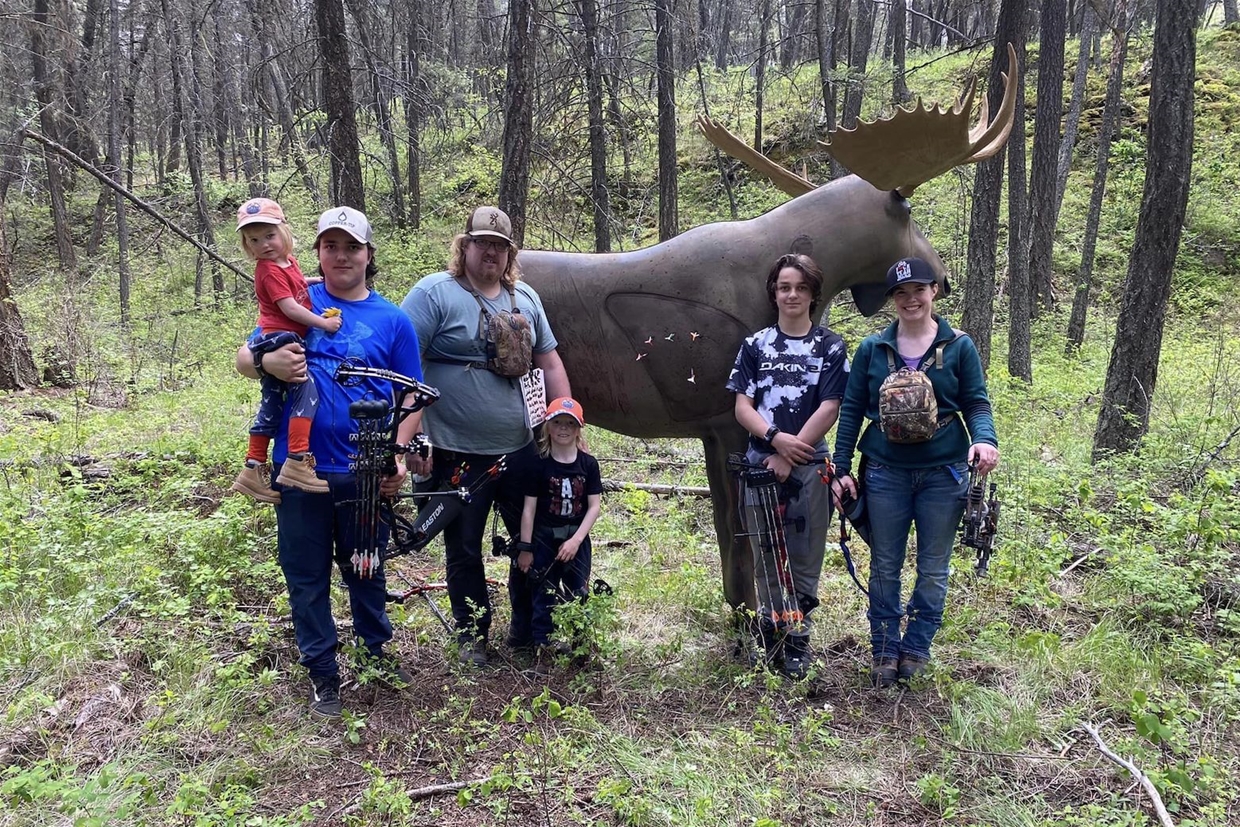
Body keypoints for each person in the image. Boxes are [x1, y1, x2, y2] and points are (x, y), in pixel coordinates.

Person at [235, 206, 424, 719]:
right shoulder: (298, 298)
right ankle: (323, 673)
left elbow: (413, 397)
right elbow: (245, 357)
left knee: (366, 567)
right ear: (317, 251)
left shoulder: (393, 320)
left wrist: (398, 454)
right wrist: (265, 360)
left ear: (368, 255)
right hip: (299, 469)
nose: (341, 256)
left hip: (365, 470)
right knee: (306, 574)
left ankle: (376, 655)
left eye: (352, 247)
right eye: (331, 246)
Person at [401, 206, 571, 667]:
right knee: (463, 549)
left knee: (531, 540)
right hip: (454, 453)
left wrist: (566, 420)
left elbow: (549, 362)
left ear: (510, 253)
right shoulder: (434, 294)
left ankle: (527, 631)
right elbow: (403, 365)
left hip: (520, 449)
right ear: (465, 246)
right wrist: (409, 440)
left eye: (500, 245)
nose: (491, 252)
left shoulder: (526, 298)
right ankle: (471, 635)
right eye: (482, 243)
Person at [830, 256, 999, 688]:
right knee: (885, 564)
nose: (911, 299)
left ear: (934, 291)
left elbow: (976, 402)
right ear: (892, 299)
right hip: (885, 472)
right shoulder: (872, 349)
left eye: (919, 290)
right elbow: (851, 410)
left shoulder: (958, 346)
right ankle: (885, 649)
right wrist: (841, 469)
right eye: (901, 293)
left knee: (933, 567)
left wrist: (985, 440)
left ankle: (917, 648)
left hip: (944, 474)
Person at [726, 253, 849, 679]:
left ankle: (798, 639)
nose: (792, 294)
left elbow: (830, 405)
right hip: (760, 465)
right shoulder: (755, 345)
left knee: (805, 553)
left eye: (800, 287)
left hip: (810, 465)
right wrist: (775, 440)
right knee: (765, 552)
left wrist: (791, 452)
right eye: (784, 287)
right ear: (774, 293)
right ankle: (771, 633)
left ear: (813, 294)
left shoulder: (830, 346)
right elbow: (742, 406)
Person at [230, 197, 342, 502]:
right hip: (278, 337)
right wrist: (323, 323)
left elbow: (293, 285)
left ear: (284, 232)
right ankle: (296, 459)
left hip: (281, 336)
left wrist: (312, 281)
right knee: (307, 391)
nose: (264, 244)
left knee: (273, 404)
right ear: (247, 245)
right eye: (254, 240)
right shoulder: (267, 269)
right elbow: (290, 307)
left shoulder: (287, 262)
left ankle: (253, 467)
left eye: (269, 235)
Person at [515, 397, 602, 672]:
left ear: (579, 429)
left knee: (579, 593)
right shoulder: (538, 465)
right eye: (557, 423)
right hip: (544, 540)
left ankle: (582, 650)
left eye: (570, 424)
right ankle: (544, 650)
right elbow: (528, 510)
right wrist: (525, 548)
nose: (563, 428)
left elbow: (594, 507)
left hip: (577, 540)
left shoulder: (588, 465)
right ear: (548, 427)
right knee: (544, 594)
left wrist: (576, 541)